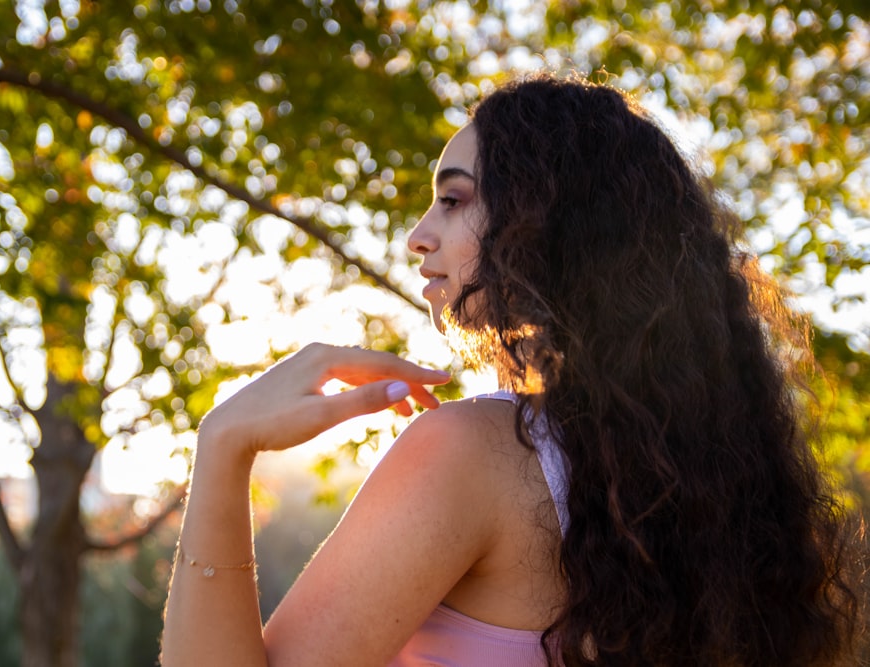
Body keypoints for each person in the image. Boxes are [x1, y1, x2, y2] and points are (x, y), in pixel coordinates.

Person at [161, 73, 862, 666]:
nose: (418, 235)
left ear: (547, 224)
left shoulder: (470, 451)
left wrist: (224, 443)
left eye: (455, 198)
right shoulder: (704, 482)